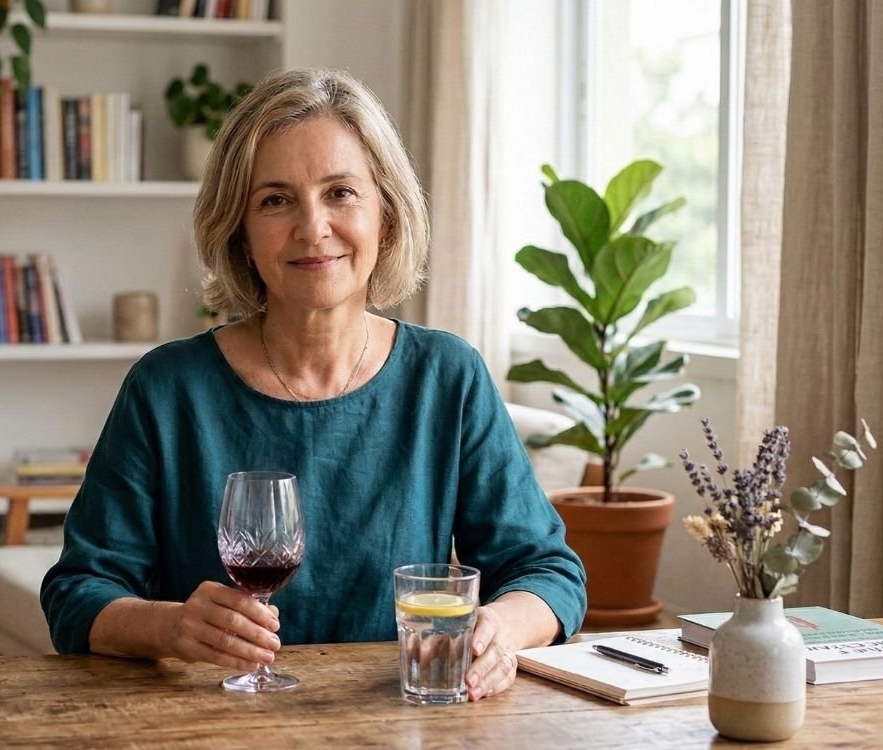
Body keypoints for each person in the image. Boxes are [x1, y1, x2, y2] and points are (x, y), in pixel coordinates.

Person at [41, 67, 585, 700]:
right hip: (207, 728)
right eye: (276, 199)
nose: (313, 227)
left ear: (386, 213)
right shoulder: (167, 389)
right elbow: (77, 593)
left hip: (398, 722)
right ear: (239, 230)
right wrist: (171, 627)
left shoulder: (447, 378)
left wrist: (498, 630)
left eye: (341, 192)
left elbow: (548, 571)